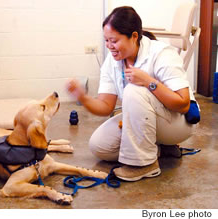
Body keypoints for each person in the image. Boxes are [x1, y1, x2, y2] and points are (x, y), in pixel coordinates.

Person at [66, 6, 198, 182]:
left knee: (134, 90)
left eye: (114, 40)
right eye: (106, 40)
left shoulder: (161, 54)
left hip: (178, 123)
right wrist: (83, 97)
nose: (109, 46)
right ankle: (161, 149)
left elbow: (183, 104)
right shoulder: (112, 62)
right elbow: (106, 106)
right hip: (151, 120)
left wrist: (148, 81)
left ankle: (144, 164)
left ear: (134, 36)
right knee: (99, 146)